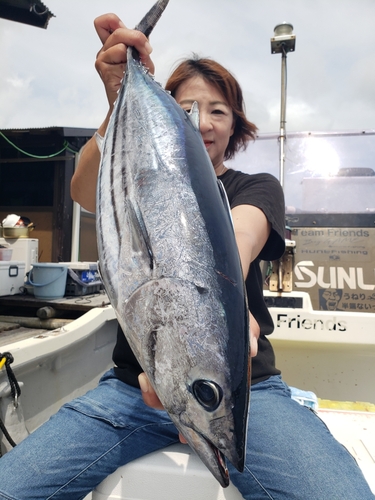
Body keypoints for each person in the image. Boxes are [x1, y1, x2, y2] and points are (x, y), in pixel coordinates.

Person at [0, 14, 373, 500]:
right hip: (131, 392)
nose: (203, 120)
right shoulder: (136, 180)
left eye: (218, 110)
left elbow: (238, 237)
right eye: (189, 107)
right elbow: (82, 190)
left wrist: (216, 315)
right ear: (171, 115)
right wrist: (119, 102)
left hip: (246, 393)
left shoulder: (255, 187)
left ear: (236, 124)